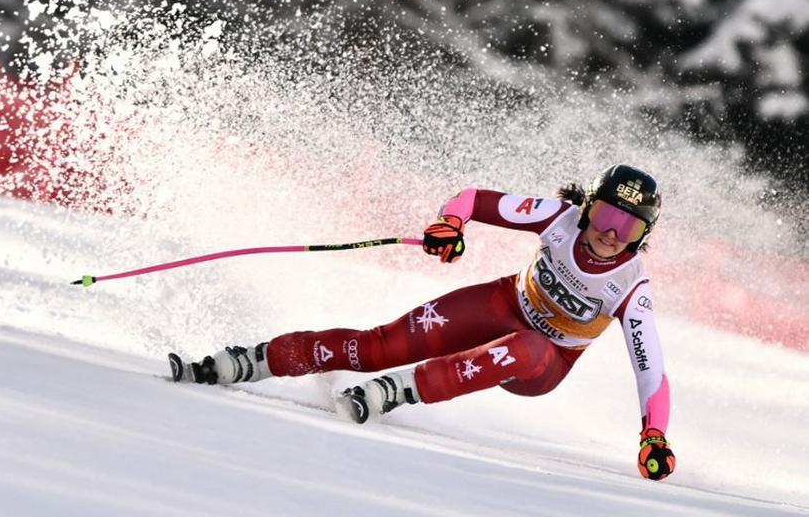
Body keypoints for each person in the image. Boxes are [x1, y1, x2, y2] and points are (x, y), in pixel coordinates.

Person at [174, 163, 676, 481]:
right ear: (586, 209)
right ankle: (253, 360)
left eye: (629, 227)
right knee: (380, 346)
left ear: (642, 236)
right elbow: (472, 199)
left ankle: (399, 391)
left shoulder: (631, 286)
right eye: (606, 216)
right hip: (503, 303)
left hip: (544, 362)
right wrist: (449, 223)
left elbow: (650, 370)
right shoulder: (557, 216)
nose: (612, 234)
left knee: (529, 346)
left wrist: (653, 436)